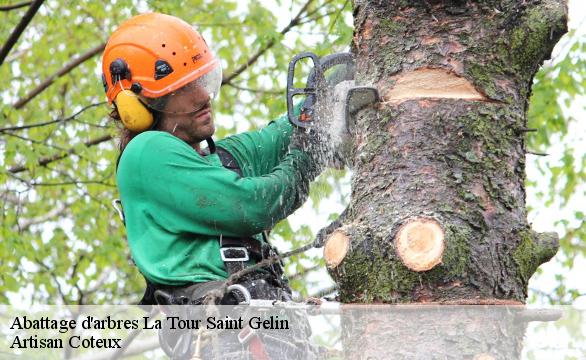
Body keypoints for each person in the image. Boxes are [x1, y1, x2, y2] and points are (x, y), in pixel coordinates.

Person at [101, 13, 326, 306]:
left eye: (203, 80)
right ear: (140, 105)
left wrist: (319, 101)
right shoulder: (146, 152)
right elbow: (251, 205)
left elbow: (280, 135)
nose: (204, 95)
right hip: (222, 332)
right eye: (184, 87)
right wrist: (304, 159)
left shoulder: (217, 160)